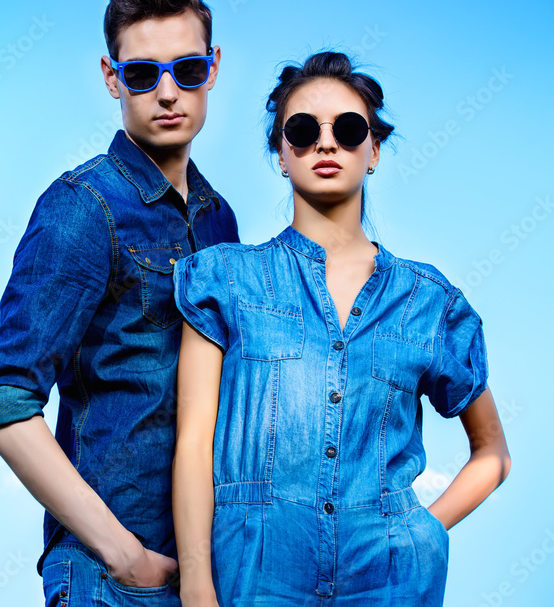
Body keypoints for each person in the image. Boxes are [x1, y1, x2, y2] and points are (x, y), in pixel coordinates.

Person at [171, 51, 511, 606]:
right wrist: (196, 583)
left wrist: (423, 532)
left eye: (349, 130)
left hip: (391, 587)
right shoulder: (226, 280)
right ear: (281, 154)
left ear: (373, 149)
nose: (326, 143)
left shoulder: (428, 303)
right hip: (251, 580)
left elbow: (492, 453)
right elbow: (193, 444)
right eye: (302, 130)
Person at [0, 0, 239, 606]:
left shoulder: (220, 218)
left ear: (214, 67)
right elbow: (5, 404)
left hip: (205, 573)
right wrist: (121, 554)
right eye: (143, 74)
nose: (168, 93)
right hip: (111, 582)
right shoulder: (82, 206)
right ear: (113, 78)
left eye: (188, 70)